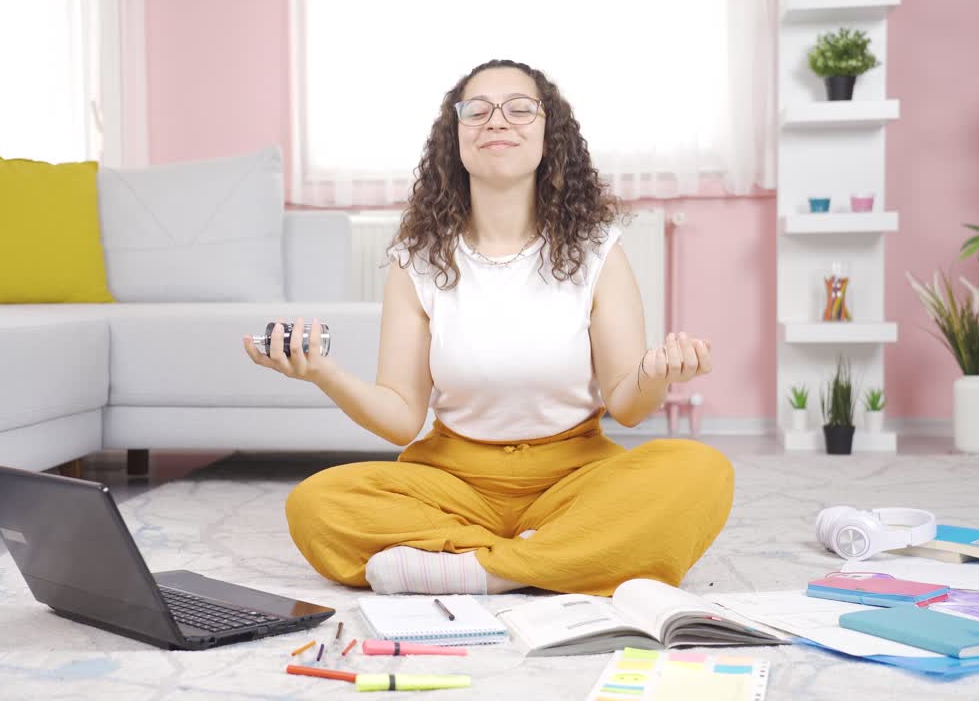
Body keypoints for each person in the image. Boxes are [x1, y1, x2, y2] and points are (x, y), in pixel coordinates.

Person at [242, 59, 733, 597]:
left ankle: (482, 570)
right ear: (455, 139)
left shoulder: (598, 252)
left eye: (520, 109)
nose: (498, 121)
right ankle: (554, 557)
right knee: (317, 504)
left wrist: (659, 373)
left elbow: (629, 407)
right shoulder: (418, 261)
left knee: (700, 470)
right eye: (477, 110)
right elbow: (402, 419)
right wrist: (324, 373)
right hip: (453, 484)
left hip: (575, 480)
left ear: (551, 136)